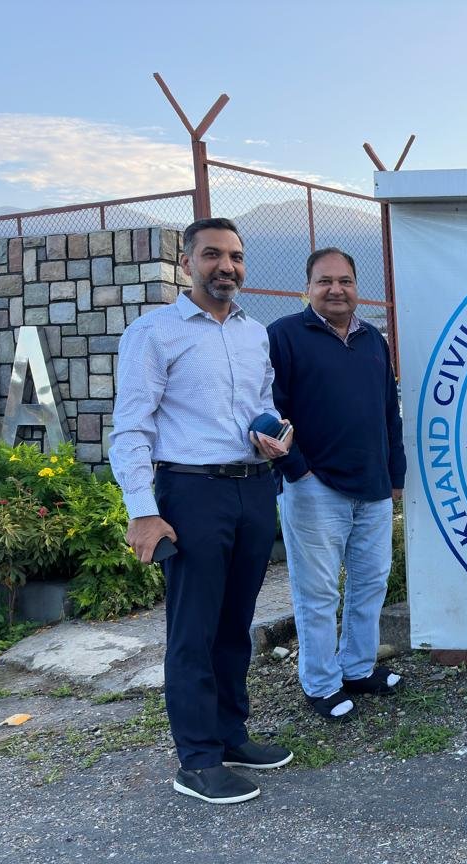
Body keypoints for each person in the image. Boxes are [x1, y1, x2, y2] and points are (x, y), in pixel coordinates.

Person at [111, 217, 295, 805]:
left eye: (236, 256)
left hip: (251, 486)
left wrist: (272, 435)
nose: (227, 267)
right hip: (190, 494)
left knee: (235, 624)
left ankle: (230, 735)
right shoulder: (154, 332)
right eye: (213, 255)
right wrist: (143, 511)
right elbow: (131, 429)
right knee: (192, 630)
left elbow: (261, 404)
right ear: (188, 262)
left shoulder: (253, 333)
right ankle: (196, 760)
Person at [268, 248, 406, 721]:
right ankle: (321, 684)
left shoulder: (373, 340)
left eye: (345, 281)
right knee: (319, 593)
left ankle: (358, 669)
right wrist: (297, 472)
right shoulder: (284, 335)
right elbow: (270, 410)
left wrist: (395, 475)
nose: (336, 290)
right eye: (325, 281)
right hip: (314, 488)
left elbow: (389, 409)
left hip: (373, 486)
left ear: (356, 287)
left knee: (369, 584)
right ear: (307, 287)